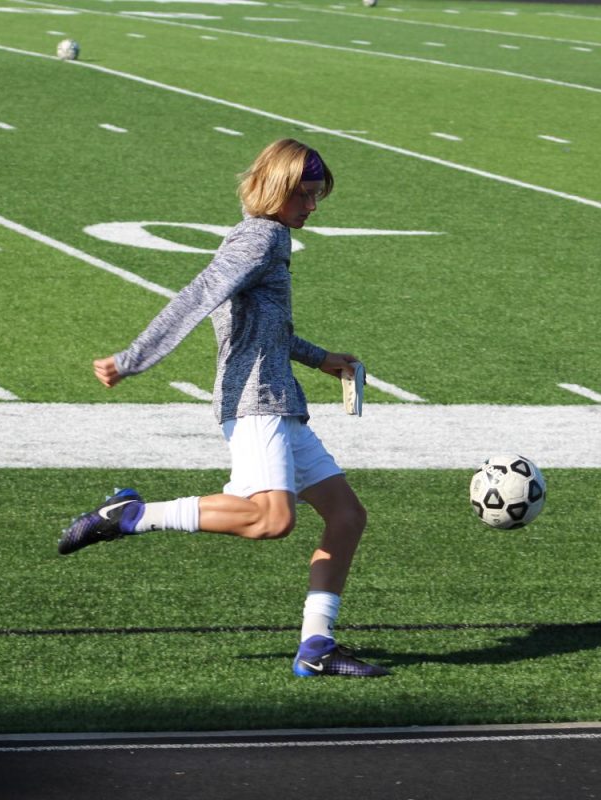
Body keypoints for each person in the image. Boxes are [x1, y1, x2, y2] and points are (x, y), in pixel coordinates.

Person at [58, 138, 388, 679]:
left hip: (280, 400)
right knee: (271, 519)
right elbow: (199, 294)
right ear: (278, 190)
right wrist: (133, 358)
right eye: (305, 195)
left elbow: (264, 328)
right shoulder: (258, 239)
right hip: (257, 403)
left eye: (317, 195)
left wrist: (320, 358)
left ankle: (317, 647)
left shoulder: (270, 236)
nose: (313, 206)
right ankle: (132, 516)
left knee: (347, 517)